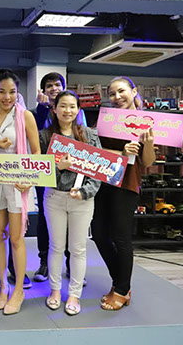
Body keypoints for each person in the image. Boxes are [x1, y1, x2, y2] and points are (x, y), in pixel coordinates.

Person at [0, 71, 40, 315]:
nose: (7, 97)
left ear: (17, 93)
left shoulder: (25, 116)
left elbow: (36, 152)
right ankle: (3, 287)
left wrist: (29, 179)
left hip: (18, 184)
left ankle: (19, 291)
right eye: (1, 91)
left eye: (12, 92)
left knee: (16, 238)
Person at [92, 76, 155, 310]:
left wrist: (148, 143)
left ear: (133, 91)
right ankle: (120, 283)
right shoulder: (106, 119)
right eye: (112, 93)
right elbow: (94, 150)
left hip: (127, 184)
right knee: (99, 234)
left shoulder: (146, 122)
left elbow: (147, 162)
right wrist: (120, 151)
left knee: (120, 237)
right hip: (103, 182)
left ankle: (121, 289)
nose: (117, 97)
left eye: (121, 91)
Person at [40, 91, 102, 316]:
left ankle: (75, 294)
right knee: (56, 247)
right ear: (54, 109)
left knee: (78, 249)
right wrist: (59, 167)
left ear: (78, 110)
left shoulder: (89, 135)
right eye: (63, 106)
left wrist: (85, 192)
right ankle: (55, 290)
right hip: (54, 198)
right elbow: (41, 172)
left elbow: (99, 170)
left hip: (82, 201)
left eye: (72, 106)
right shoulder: (45, 136)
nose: (68, 110)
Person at [32, 72, 87, 283]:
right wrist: (42, 108)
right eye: (49, 86)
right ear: (43, 91)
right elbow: (36, 138)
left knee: (72, 224)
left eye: (57, 85)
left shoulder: (77, 113)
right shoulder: (38, 111)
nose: (53, 88)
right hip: (48, 176)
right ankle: (45, 262)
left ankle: (72, 265)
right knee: (45, 221)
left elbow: (85, 143)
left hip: (73, 178)